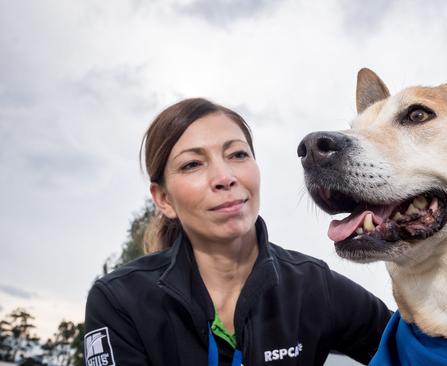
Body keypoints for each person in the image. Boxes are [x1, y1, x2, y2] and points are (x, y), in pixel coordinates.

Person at [84, 98, 392, 366]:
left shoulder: (313, 286)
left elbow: (412, 349)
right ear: (164, 199)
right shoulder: (119, 300)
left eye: (237, 155)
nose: (224, 177)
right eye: (192, 164)